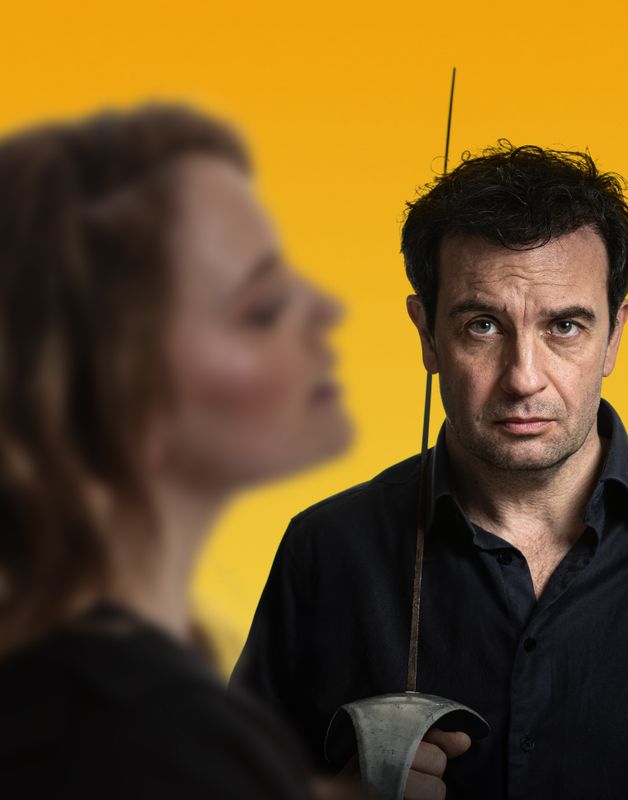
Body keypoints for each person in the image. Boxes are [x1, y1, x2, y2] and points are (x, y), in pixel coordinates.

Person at [233, 142, 628, 799]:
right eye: (482, 326)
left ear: (614, 335)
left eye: (564, 327)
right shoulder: (328, 552)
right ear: (427, 335)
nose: (523, 378)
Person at [0, 105, 359, 798]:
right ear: (125, 400)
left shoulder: (68, 695)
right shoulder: (154, 739)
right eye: (262, 309)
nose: (325, 308)